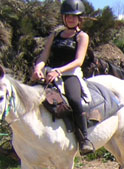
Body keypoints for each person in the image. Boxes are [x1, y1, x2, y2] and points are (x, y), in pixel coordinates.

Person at [31, 0, 93, 154]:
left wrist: (59, 71)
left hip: (70, 74)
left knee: (74, 99)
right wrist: (38, 68)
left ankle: (84, 139)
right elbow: (44, 55)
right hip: (50, 74)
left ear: (79, 19)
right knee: (28, 97)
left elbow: (78, 61)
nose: (70, 19)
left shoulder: (82, 36)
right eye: (67, 16)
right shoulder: (55, 35)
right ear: (63, 18)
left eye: (74, 16)